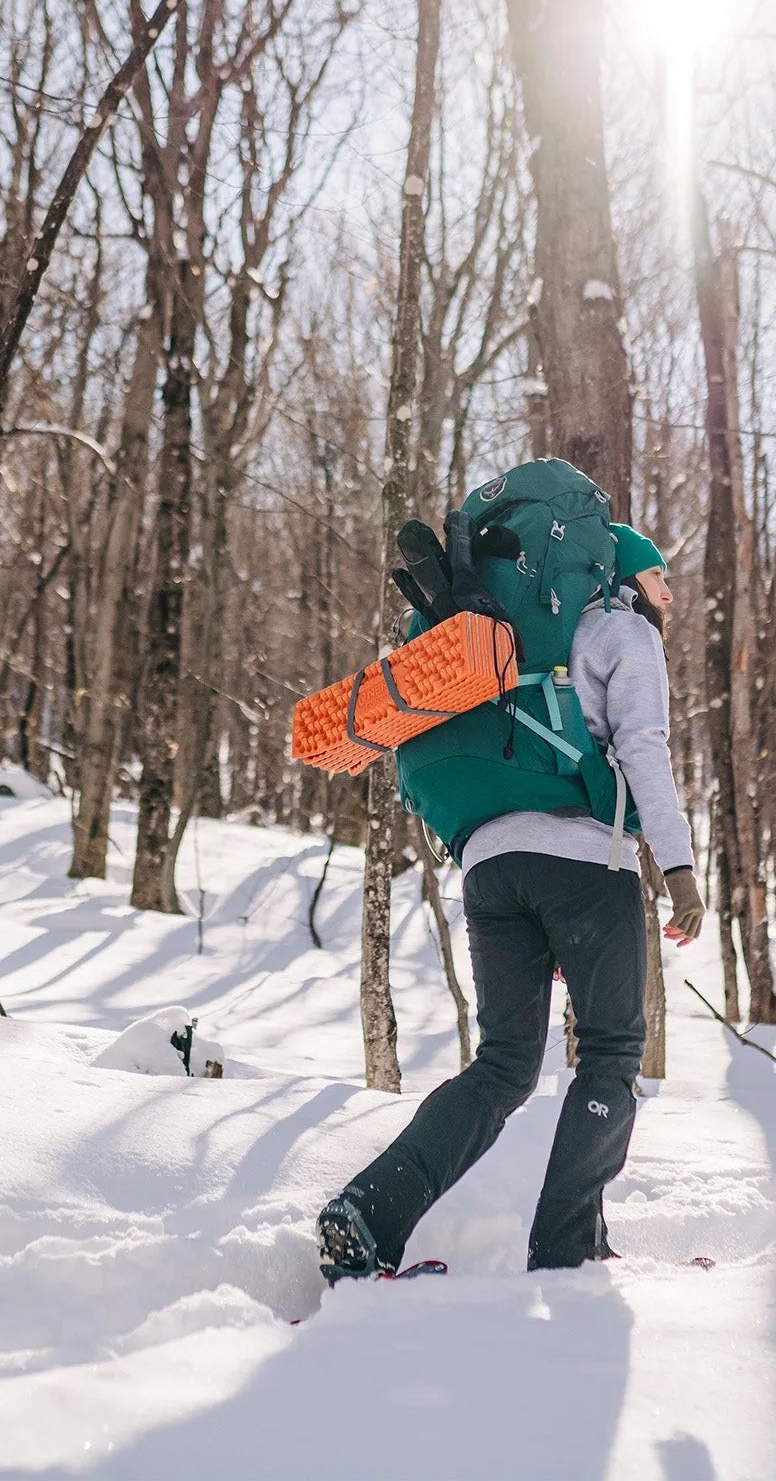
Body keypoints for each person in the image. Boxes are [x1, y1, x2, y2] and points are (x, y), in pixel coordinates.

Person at [318, 522, 705, 1280]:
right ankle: (567, 1251)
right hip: (587, 861)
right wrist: (681, 870)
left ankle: (368, 1212)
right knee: (612, 1051)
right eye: (662, 579)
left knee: (503, 1065)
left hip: (491, 865)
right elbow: (644, 752)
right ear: (624, 573)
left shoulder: (513, 641)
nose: (670, 596)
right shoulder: (622, 631)